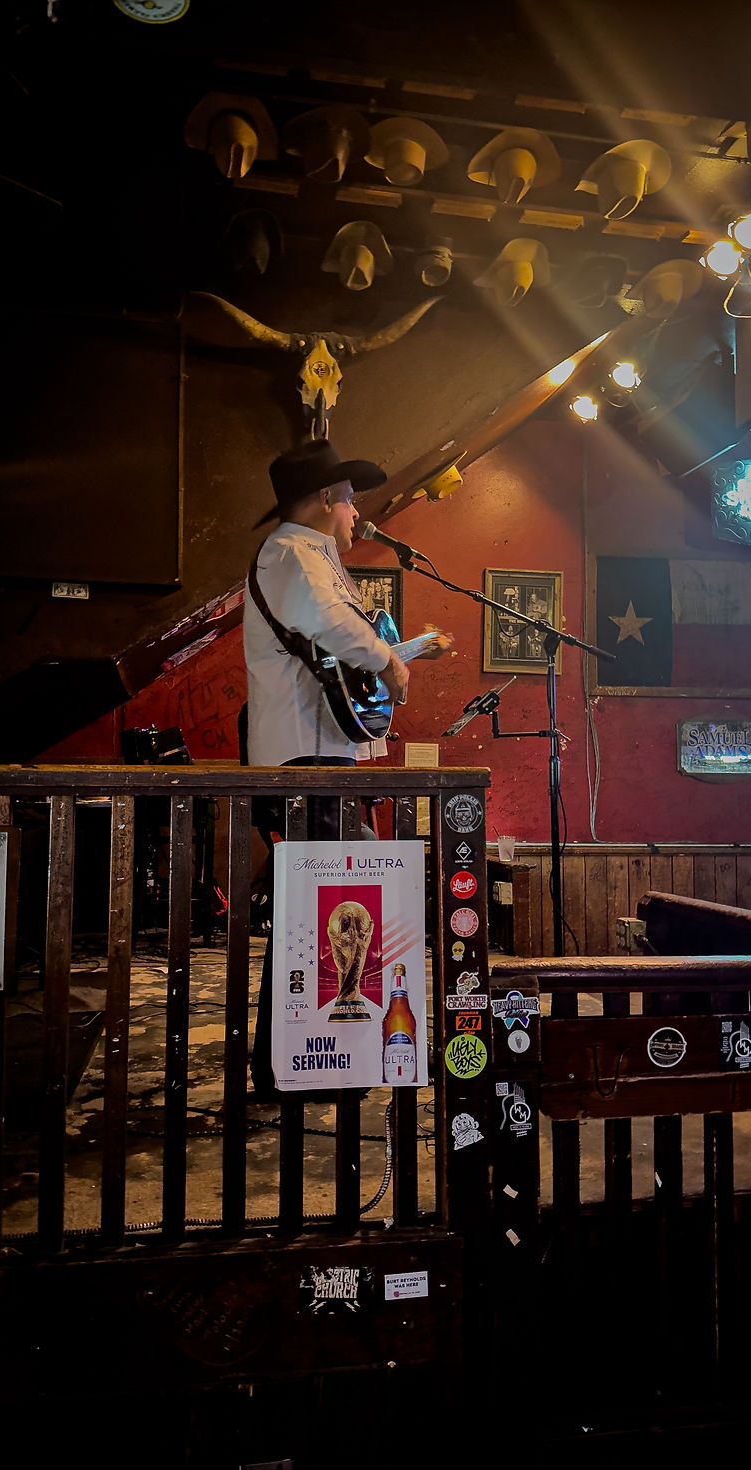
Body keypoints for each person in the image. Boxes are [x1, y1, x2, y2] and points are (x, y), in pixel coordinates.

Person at [241, 438, 446, 1098]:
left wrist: (401, 652)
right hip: (305, 759)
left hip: (324, 755)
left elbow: (337, 649)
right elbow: (333, 628)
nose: (359, 513)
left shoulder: (313, 559)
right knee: (333, 902)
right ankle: (306, 1062)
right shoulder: (289, 553)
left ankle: (310, 1060)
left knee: (320, 908)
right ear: (328, 498)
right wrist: (391, 661)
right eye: (352, 499)